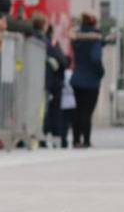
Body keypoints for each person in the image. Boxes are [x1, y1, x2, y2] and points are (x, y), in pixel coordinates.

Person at [69, 13, 105, 148]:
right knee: (87, 111)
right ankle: (86, 140)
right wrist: (101, 72)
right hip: (91, 80)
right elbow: (96, 58)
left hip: (77, 78)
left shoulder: (77, 37)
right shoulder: (95, 39)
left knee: (78, 109)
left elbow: (72, 34)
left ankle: (76, 139)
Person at [34, 14, 68, 146]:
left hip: (42, 81)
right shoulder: (49, 43)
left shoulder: (35, 39)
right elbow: (63, 61)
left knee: (42, 109)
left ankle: (40, 136)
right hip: (47, 81)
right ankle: (41, 136)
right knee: (45, 110)